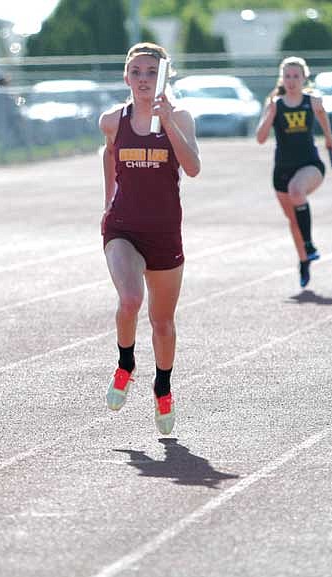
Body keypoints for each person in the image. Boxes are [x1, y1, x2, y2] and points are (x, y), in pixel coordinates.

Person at [99, 42, 201, 435]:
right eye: (136, 72)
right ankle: (126, 364)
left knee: (161, 321)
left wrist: (169, 122)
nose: (143, 79)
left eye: (151, 72)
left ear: (163, 77)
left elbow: (192, 168)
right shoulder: (112, 120)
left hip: (164, 233)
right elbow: (109, 155)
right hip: (123, 227)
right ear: (127, 77)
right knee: (130, 299)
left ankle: (163, 387)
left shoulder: (181, 118)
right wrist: (107, 202)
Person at [256, 56, 332, 288]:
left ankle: (310, 245)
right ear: (282, 78)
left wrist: (330, 138)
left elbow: (322, 115)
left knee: (296, 191)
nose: (291, 81)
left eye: (296, 76)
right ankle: (304, 260)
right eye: (287, 76)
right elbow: (260, 139)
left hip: (310, 165)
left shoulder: (312, 101)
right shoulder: (275, 104)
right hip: (282, 168)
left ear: (304, 78)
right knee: (293, 220)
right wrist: (270, 114)